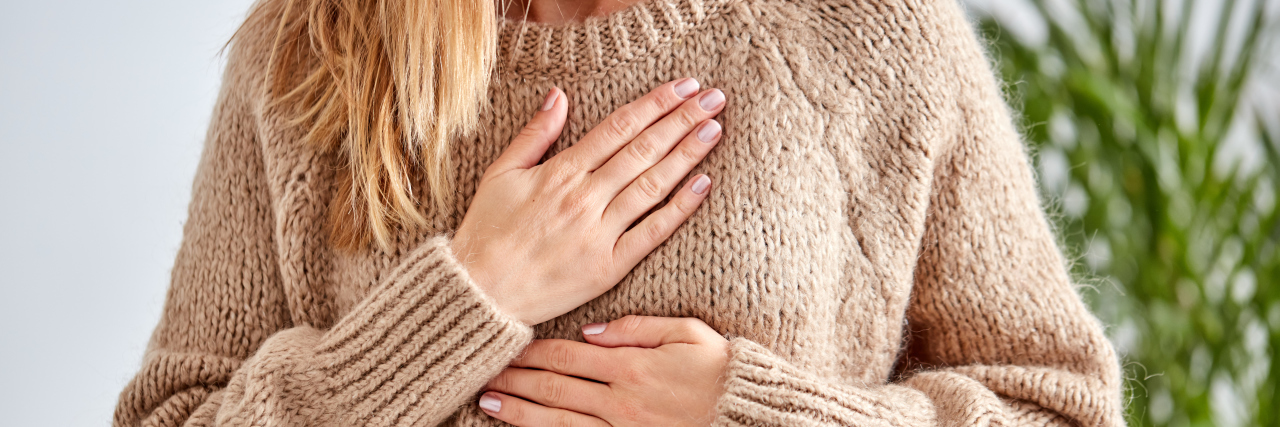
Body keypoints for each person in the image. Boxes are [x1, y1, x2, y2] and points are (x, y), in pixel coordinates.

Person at [114, 0, 1126, 425]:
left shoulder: (864, 35)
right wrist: (461, 301)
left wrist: (746, 411)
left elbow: (1060, 408)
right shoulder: (313, 48)